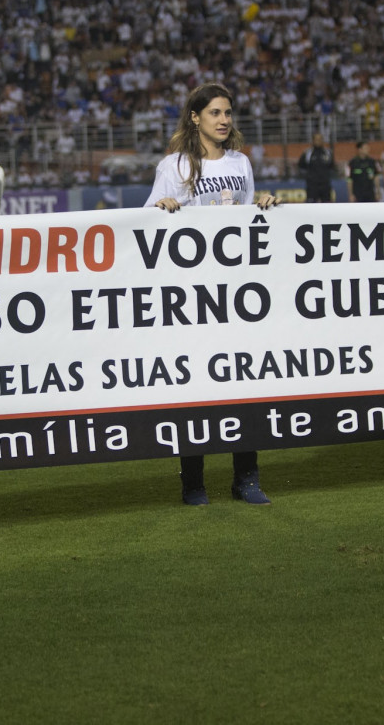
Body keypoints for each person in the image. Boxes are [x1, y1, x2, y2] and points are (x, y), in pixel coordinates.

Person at [144, 82, 277, 506]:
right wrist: (159, 210)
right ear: (195, 117)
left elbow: (247, 217)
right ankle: (194, 482)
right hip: (193, 295)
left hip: (239, 294)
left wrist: (264, 205)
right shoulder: (175, 165)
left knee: (244, 382)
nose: (224, 120)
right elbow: (147, 224)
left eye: (228, 112)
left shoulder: (240, 162)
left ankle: (247, 477)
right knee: (196, 386)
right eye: (215, 113)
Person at [297, 131, 335, 203]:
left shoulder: (328, 153)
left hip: (325, 185)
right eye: (316, 139)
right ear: (313, 141)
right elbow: (301, 166)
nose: (318, 141)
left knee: (327, 205)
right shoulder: (308, 153)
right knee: (311, 205)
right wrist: (310, 176)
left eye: (320, 139)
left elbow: (332, 166)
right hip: (312, 186)